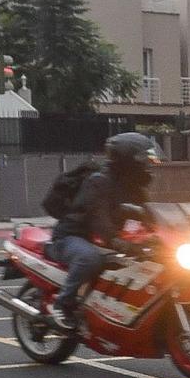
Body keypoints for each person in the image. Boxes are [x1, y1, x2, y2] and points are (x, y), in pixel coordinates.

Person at [52, 131, 161, 311]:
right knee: (90, 259)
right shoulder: (99, 182)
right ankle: (62, 304)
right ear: (127, 159)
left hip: (106, 239)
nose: (149, 164)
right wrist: (117, 241)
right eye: (144, 159)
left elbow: (148, 215)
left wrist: (165, 235)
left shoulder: (134, 186)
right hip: (74, 236)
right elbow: (98, 218)